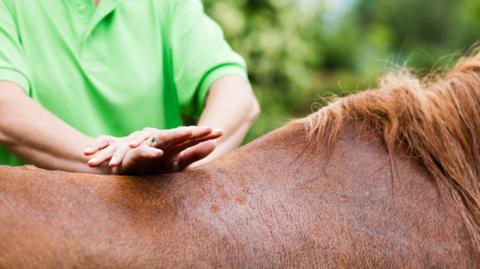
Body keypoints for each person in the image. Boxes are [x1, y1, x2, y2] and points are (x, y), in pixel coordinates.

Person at [0, 0, 259, 175]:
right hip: (33, 228)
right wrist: (112, 161)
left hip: (153, 221)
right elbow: (5, 108)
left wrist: (182, 158)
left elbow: (235, 92)